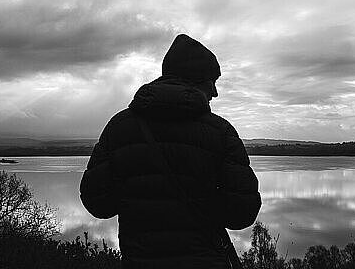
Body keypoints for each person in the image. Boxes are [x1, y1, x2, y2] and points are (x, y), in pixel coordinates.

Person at [80, 34, 261, 268]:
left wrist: (137, 196)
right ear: (195, 80)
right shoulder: (221, 132)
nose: (215, 92)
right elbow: (242, 213)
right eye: (211, 82)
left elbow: (98, 204)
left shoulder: (118, 127)